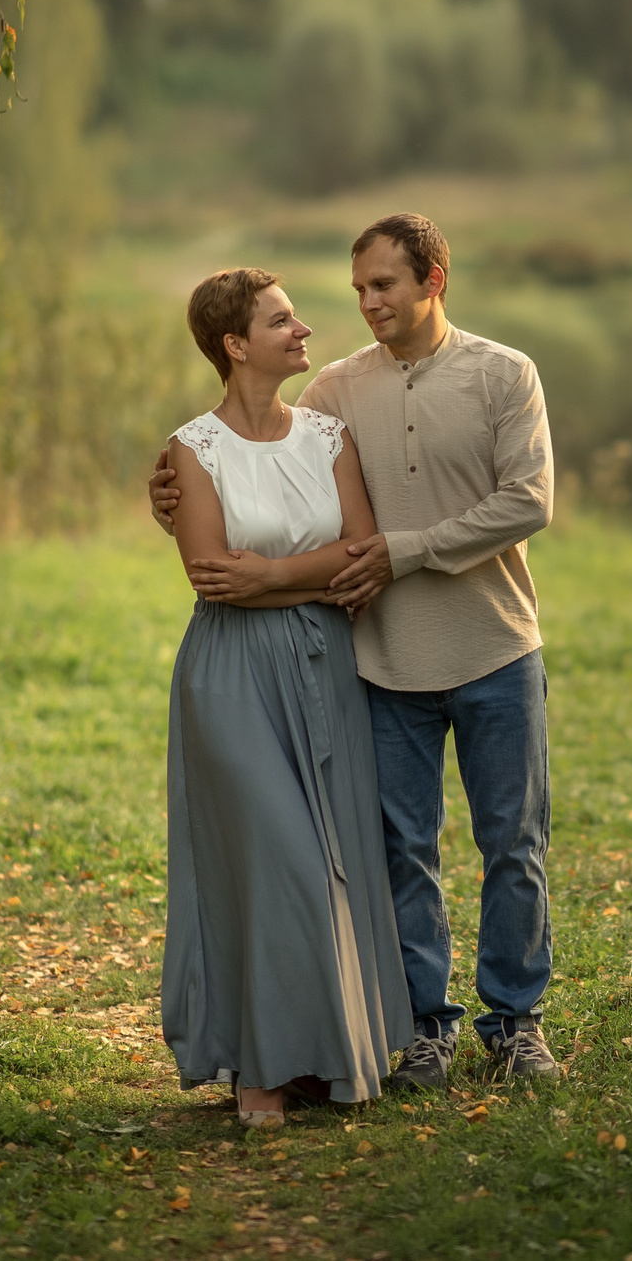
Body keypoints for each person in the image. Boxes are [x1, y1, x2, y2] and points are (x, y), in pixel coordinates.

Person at [153, 213, 563, 1087]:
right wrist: (175, 491)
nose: (367, 303)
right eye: (358, 290)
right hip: (382, 660)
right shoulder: (336, 392)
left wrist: (403, 551)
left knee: (513, 844)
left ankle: (516, 1022)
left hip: (495, 644)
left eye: (384, 285)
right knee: (400, 851)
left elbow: (528, 502)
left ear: (433, 279)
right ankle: (426, 1026)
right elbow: (260, 452)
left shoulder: (504, 374)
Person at [158, 267, 409, 1126]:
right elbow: (211, 580)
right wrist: (310, 577)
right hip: (229, 676)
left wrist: (270, 573)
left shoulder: (327, 436)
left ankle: (319, 1058)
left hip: (324, 670)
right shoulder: (193, 447)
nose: (304, 331)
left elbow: (363, 555)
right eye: (282, 321)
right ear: (235, 344)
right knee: (274, 863)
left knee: (335, 860)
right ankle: (257, 1067)